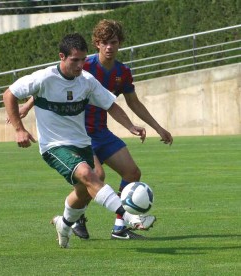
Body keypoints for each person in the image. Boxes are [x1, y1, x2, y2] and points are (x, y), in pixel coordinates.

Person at [13, 20, 173, 240]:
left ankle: (118, 228)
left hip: (101, 132)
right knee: (94, 175)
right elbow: (50, 84)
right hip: (78, 133)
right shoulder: (82, 64)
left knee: (132, 172)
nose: (109, 47)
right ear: (97, 44)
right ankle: (88, 218)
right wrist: (27, 105)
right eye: (105, 42)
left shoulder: (122, 72)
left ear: (120, 44)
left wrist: (154, 127)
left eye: (114, 42)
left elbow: (131, 103)